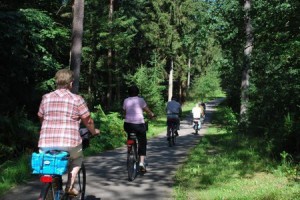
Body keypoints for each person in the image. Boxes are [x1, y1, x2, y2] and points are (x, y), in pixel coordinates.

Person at [37, 69, 100, 196]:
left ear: (56, 82)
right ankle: (69, 186)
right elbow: (88, 120)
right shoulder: (77, 99)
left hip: (45, 143)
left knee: (49, 164)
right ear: (71, 83)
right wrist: (94, 132)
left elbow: (40, 116)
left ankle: (49, 189)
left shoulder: (46, 98)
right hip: (68, 143)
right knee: (77, 159)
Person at [123, 85, 155, 172]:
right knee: (142, 142)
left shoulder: (126, 100)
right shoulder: (141, 100)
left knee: (130, 137)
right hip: (139, 125)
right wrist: (152, 115)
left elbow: (124, 112)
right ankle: (141, 162)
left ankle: (130, 148)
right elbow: (147, 110)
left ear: (129, 93)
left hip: (128, 125)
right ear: (137, 93)